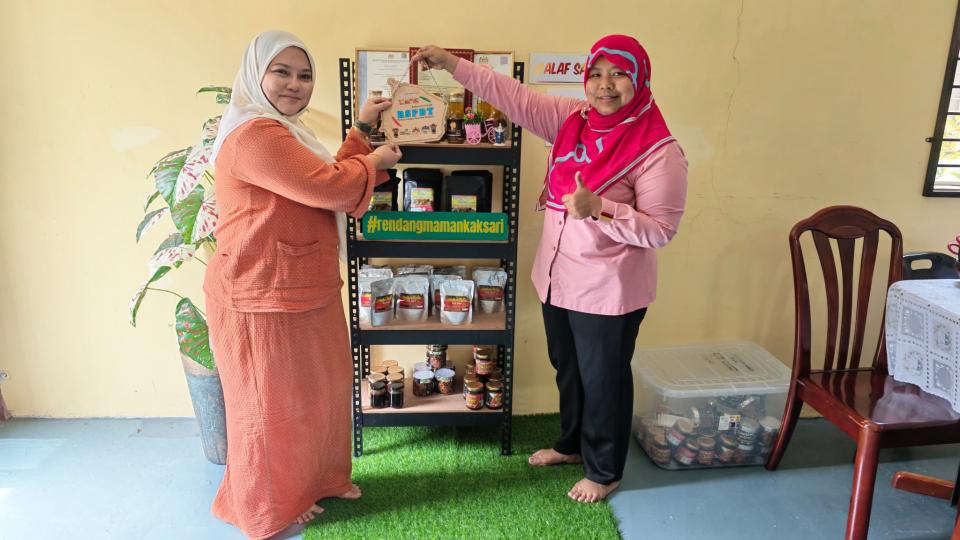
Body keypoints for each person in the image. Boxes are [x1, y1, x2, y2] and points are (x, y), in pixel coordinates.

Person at [413, 35, 687, 503]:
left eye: (618, 74)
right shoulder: (572, 120)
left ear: (639, 80)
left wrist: (601, 208)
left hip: (608, 289)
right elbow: (513, 96)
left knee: (603, 379)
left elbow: (661, 230)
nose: (605, 85)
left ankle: (605, 471)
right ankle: (572, 445)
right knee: (569, 369)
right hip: (558, 279)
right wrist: (452, 64)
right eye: (596, 74)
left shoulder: (659, 149)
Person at [204, 30, 401, 538]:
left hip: (302, 284)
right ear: (256, 75)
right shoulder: (255, 135)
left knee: (318, 398)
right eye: (282, 72)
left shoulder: (286, 130)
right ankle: (267, 507)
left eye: (305, 75)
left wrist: (361, 128)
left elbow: (325, 172)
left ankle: (314, 484)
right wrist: (375, 162)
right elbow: (327, 186)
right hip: (259, 292)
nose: (295, 84)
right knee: (267, 409)